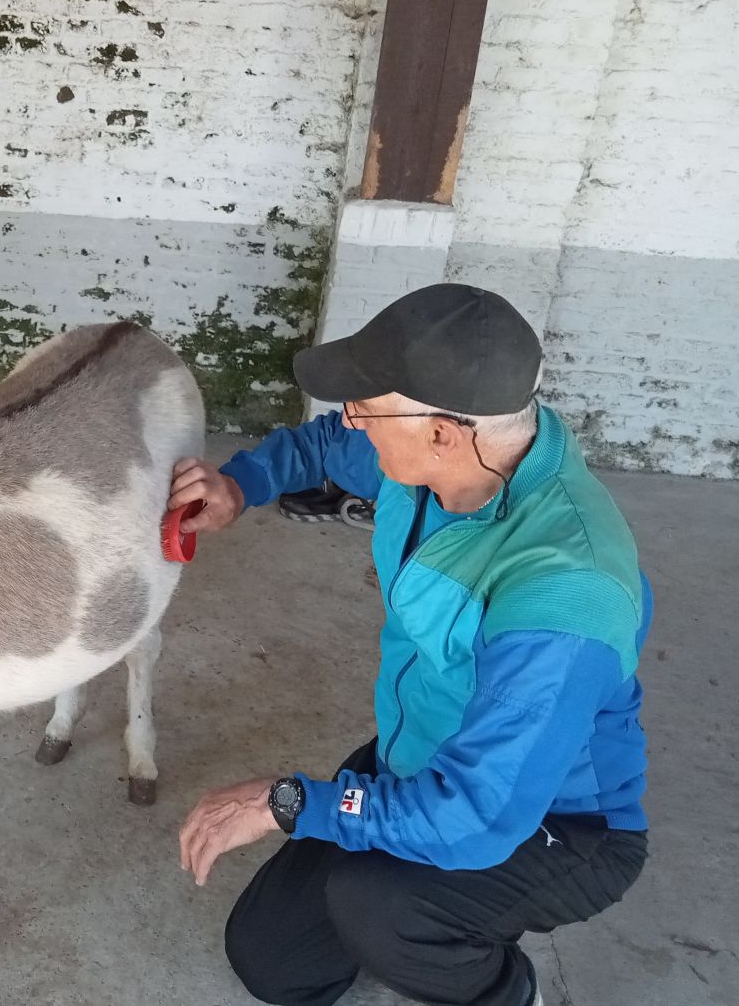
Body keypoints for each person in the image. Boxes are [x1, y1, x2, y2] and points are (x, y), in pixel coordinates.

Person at [171, 284, 650, 1006]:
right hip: (421, 752)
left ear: (442, 435)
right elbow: (329, 444)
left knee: (378, 905)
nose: (351, 417)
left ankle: (506, 991)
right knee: (272, 960)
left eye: (367, 405)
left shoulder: (566, 591)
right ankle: (417, 902)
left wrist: (290, 802)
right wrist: (243, 483)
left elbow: (478, 811)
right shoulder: (439, 463)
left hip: (556, 821)